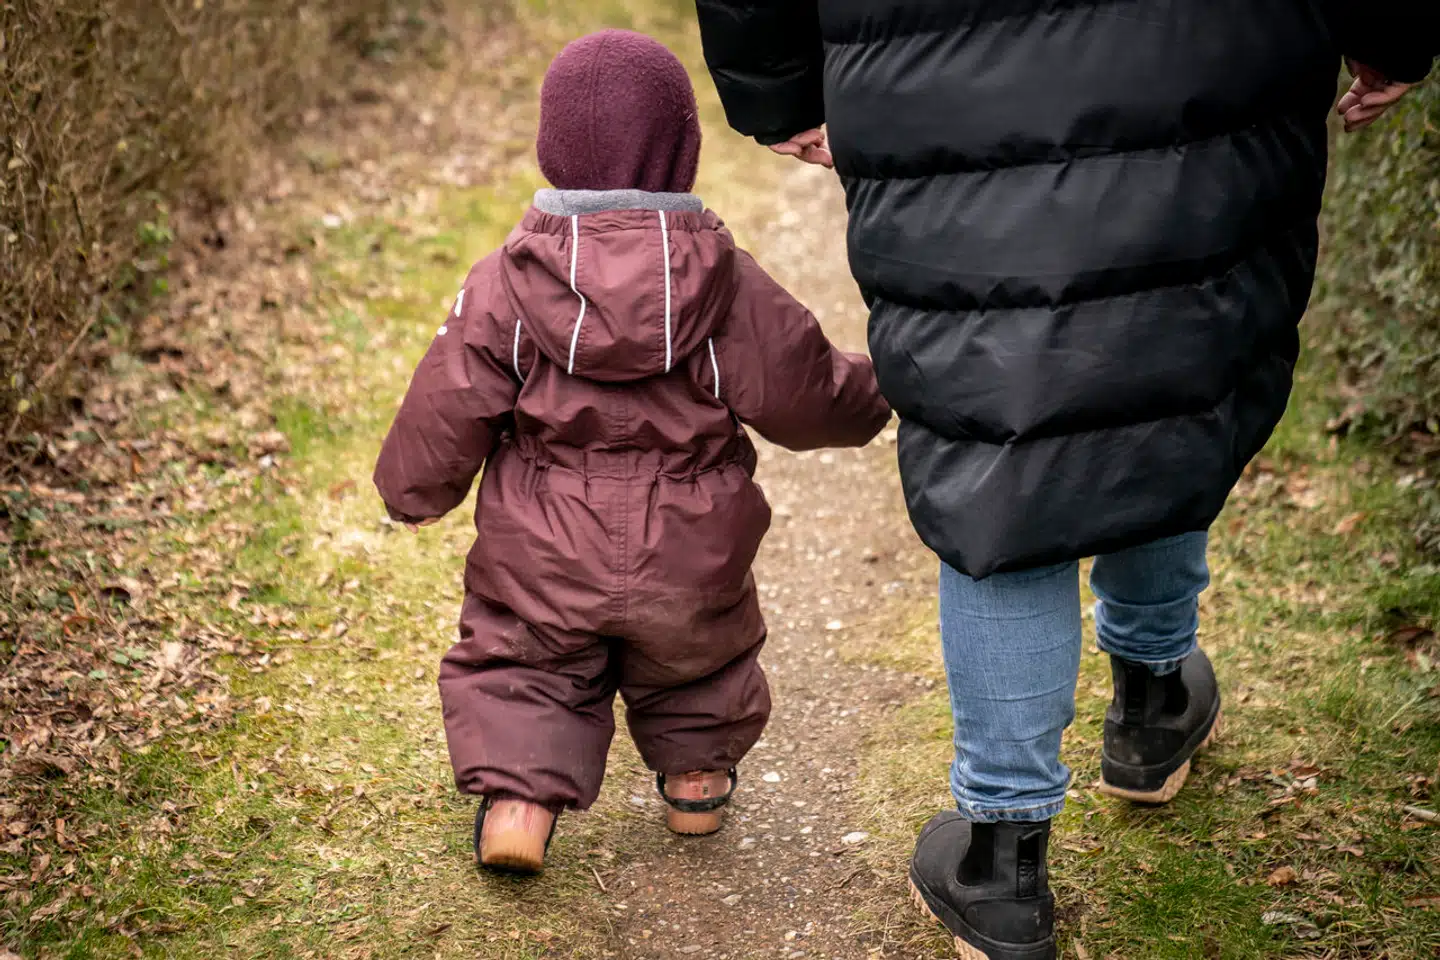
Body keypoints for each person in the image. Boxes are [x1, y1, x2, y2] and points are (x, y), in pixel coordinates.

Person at [694, 2, 1437, 957]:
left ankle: (1003, 862)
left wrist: (776, 85)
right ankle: (1152, 699)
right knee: (1165, 369)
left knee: (998, 438)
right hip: (1209, 56)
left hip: (937, 76)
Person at [372, 29, 891, 876]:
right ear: (681, 152)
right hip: (690, 541)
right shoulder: (725, 280)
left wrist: (411, 491)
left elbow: (448, 398)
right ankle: (694, 782)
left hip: (543, 543)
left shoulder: (507, 278)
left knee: (524, 660)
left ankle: (518, 805)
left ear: (553, 147)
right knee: (702, 652)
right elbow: (805, 388)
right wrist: (878, 396)